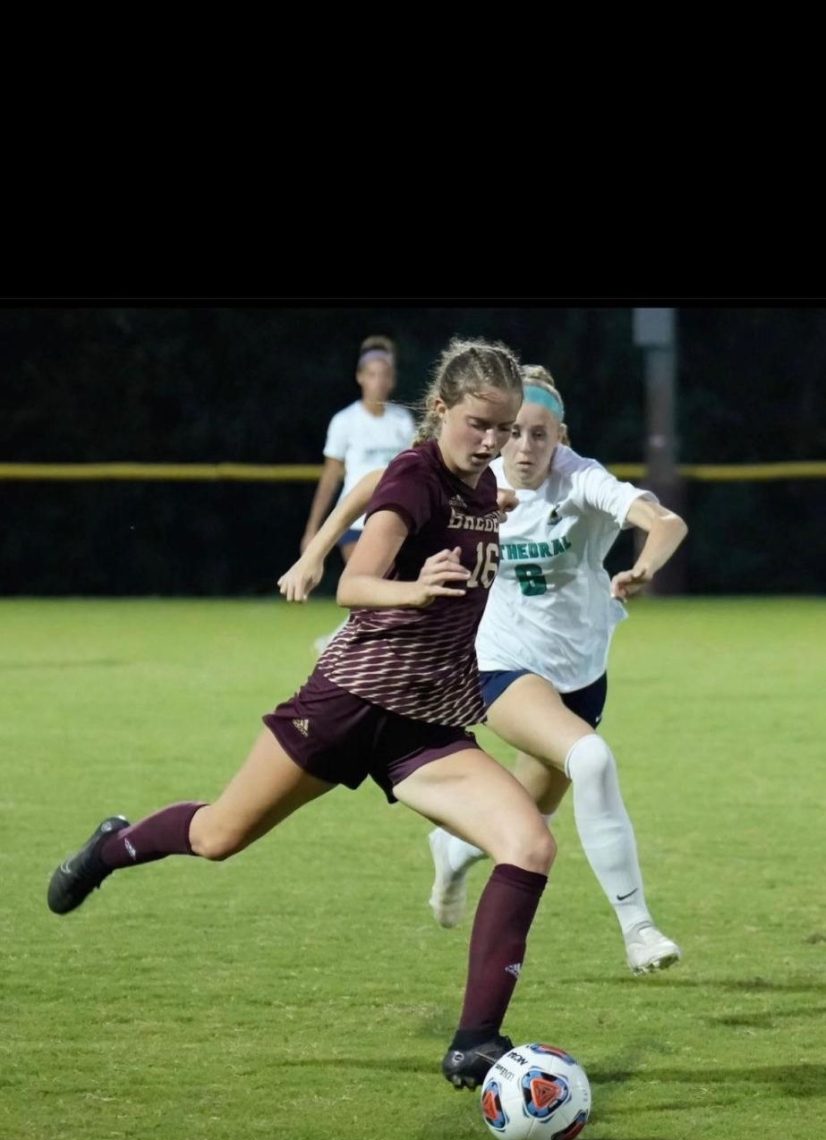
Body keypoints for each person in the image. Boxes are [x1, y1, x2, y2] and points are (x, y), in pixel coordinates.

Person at [47, 338, 556, 1092]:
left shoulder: (476, 487)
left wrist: (320, 543)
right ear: (440, 410)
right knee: (220, 835)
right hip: (346, 706)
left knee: (530, 844)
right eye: (479, 424)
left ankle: (475, 1042)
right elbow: (357, 584)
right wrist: (401, 586)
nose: (492, 443)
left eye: (505, 429)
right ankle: (112, 847)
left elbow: (372, 484)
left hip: (423, 725)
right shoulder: (419, 478)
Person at [279, 364, 688, 975]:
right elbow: (370, 484)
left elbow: (665, 521)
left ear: (562, 436)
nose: (522, 447)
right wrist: (313, 554)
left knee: (530, 814)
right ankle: (639, 929)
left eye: (539, 435)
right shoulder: (476, 468)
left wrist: (647, 564)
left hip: (578, 674)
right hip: (498, 664)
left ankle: (452, 848)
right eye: (514, 432)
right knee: (593, 758)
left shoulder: (581, 480)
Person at [300, 335, 416, 654]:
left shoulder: (402, 421)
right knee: (372, 584)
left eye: (384, 375)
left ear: (391, 380)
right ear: (360, 377)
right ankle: (341, 645)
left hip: (393, 519)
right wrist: (314, 528)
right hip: (355, 519)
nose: (378, 381)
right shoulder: (345, 421)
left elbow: (412, 473)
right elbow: (330, 477)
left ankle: (339, 644)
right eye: (372, 374)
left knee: (381, 589)